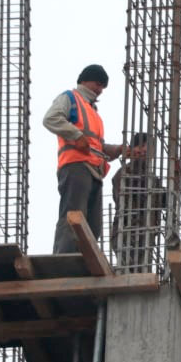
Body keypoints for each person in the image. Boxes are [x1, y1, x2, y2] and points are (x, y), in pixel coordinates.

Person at [43, 64, 123, 253]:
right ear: (85, 81)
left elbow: (97, 146)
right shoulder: (70, 98)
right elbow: (50, 118)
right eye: (98, 84)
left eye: (103, 87)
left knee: (93, 226)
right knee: (73, 217)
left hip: (94, 172)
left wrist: (118, 150)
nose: (100, 90)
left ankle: (83, 260)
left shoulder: (93, 112)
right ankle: (64, 259)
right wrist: (76, 135)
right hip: (76, 166)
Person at [111, 131, 166, 272]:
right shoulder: (124, 173)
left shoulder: (153, 179)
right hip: (126, 232)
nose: (143, 151)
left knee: (141, 272)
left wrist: (176, 178)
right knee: (129, 271)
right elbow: (123, 199)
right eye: (139, 147)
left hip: (146, 236)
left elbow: (167, 202)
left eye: (147, 148)